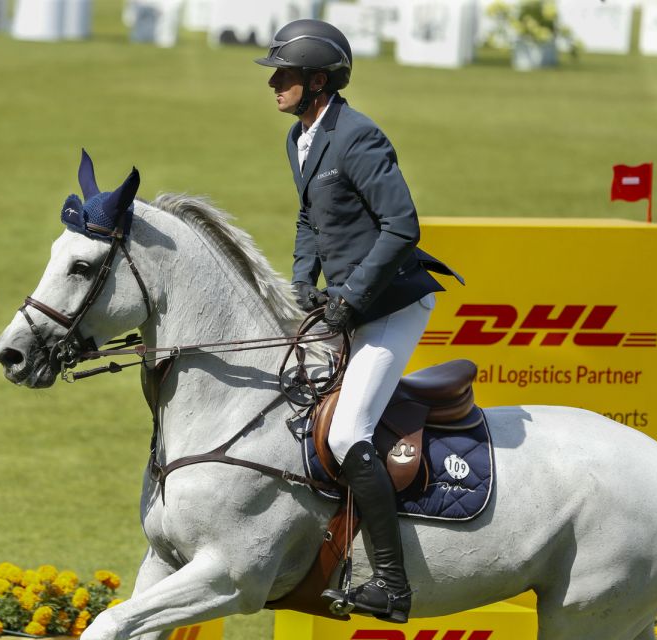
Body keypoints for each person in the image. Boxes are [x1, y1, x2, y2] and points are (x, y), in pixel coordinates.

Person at [255, 18, 462, 624]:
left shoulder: (358, 138)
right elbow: (308, 221)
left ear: (318, 81)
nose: (275, 83)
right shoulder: (300, 137)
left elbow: (403, 226)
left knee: (348, 434)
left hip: (393, 304)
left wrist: (350, 299)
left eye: (285, 74)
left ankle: (393, 587)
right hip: (346, 300)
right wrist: (300, 283)